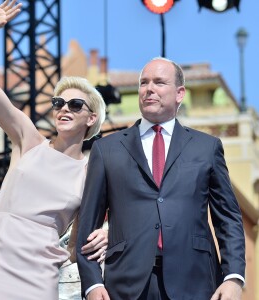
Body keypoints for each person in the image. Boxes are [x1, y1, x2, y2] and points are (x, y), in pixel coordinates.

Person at [0, 1, 108, 299]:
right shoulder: (28, 139)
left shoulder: (91, 171)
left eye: (75, 104)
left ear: (91, 118)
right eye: (58, 103)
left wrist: (109, 231)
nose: (64, 109)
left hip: (42, 263)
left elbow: (83, 236)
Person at [76, 57, 246, 300]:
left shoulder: (206, 147)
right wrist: (92, 284)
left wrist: (233, 278)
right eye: (144, 83)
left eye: (159, 82)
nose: (149, 89)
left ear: (180, 93)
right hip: (125, 285)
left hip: (196, 282)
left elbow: (228, 219)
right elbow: (87, 224)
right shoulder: (107, 149)